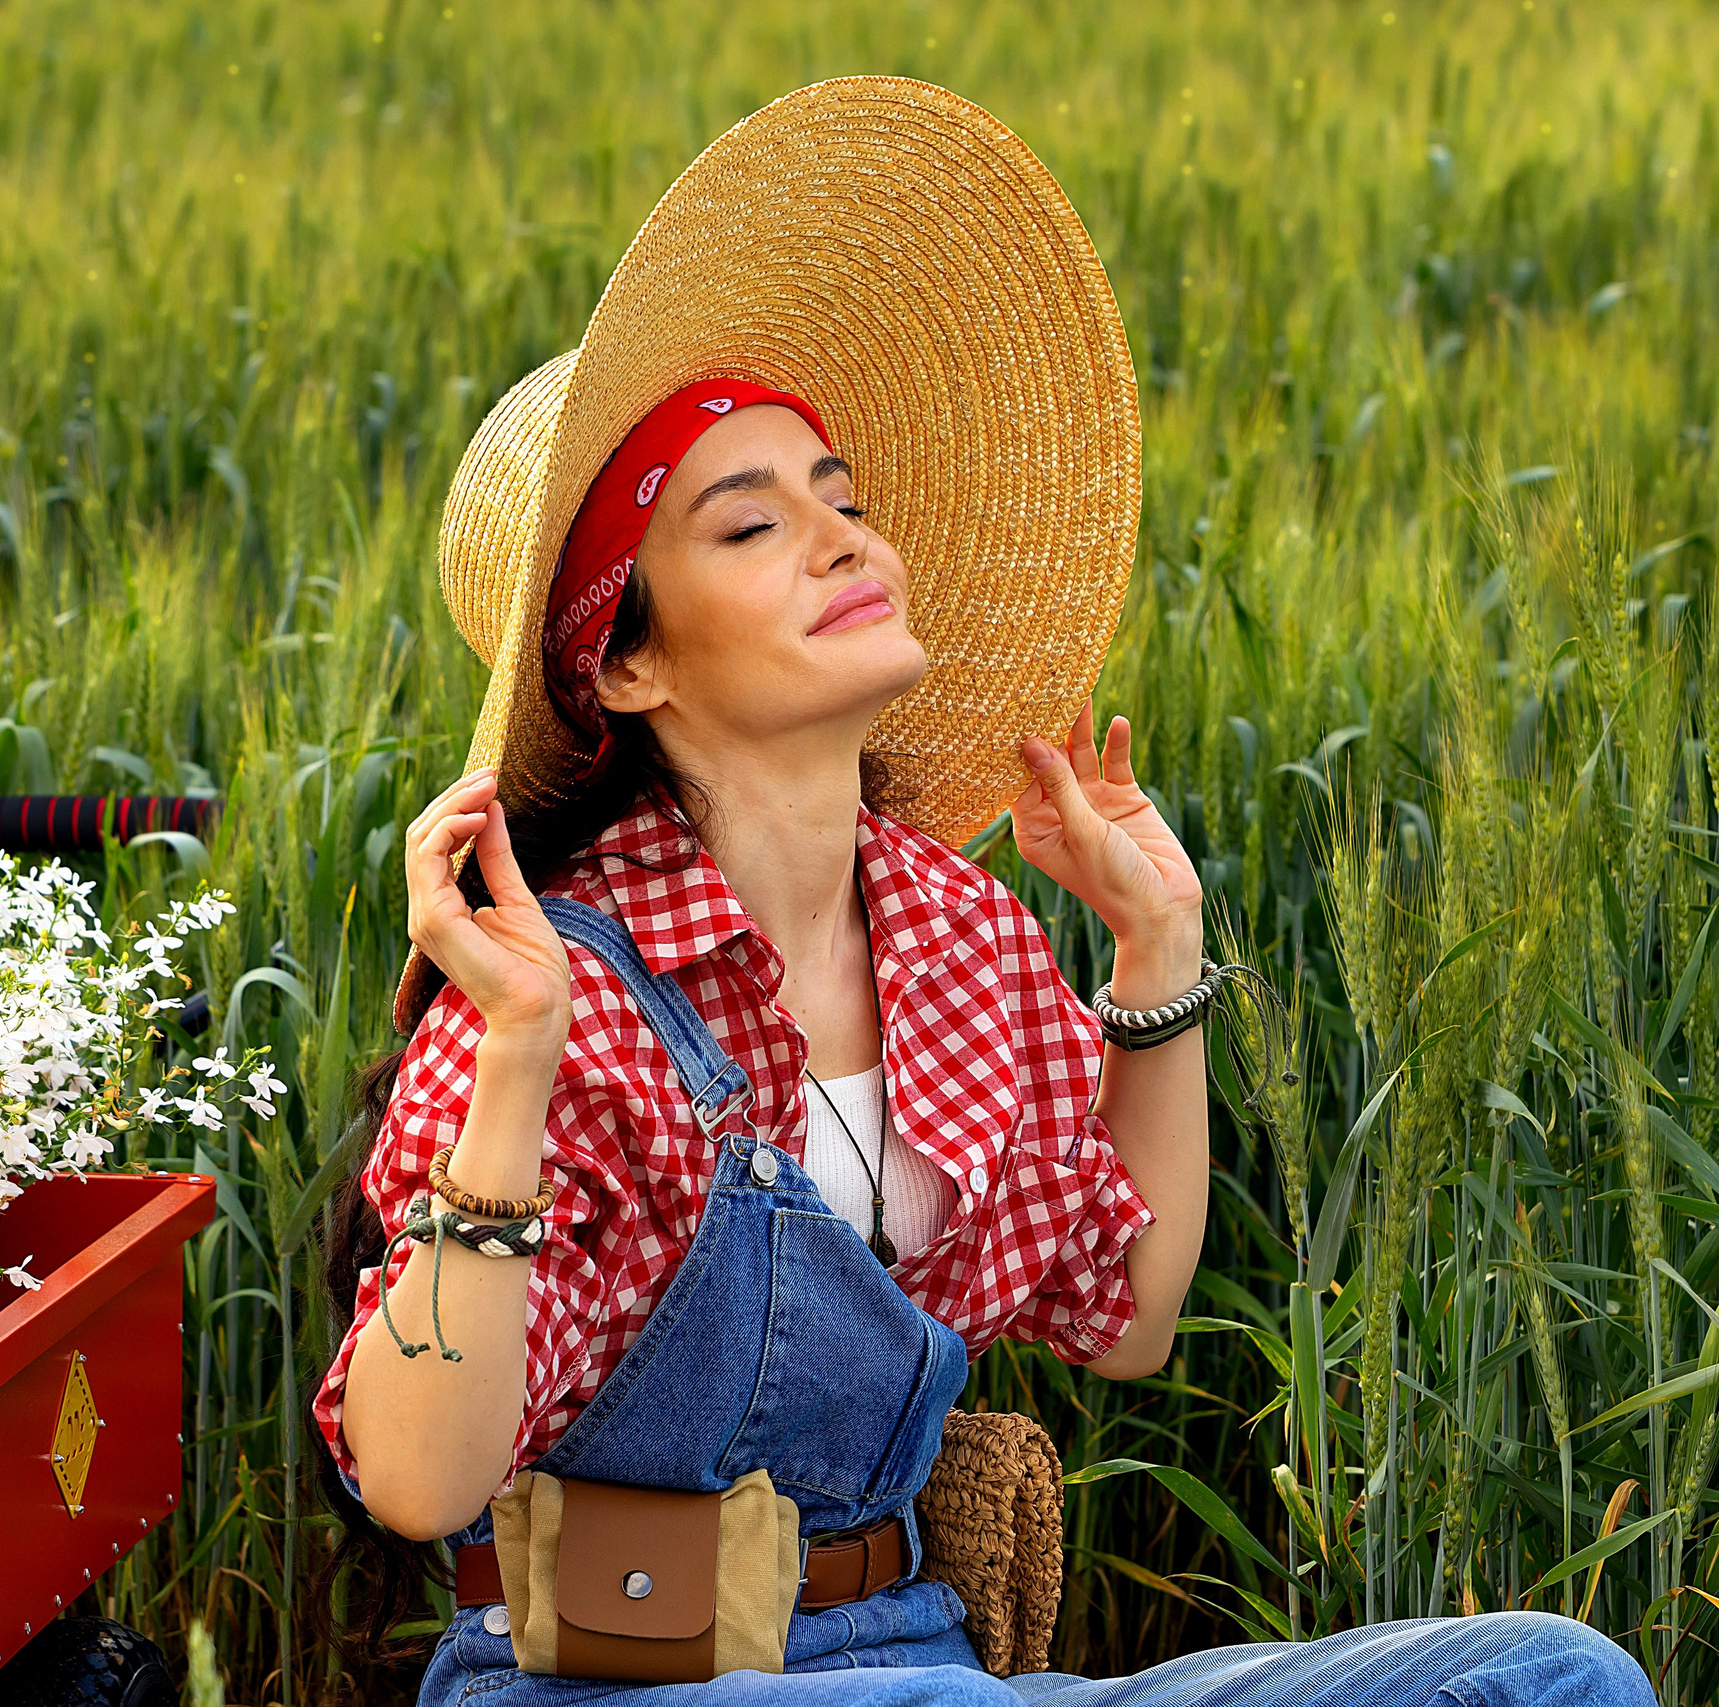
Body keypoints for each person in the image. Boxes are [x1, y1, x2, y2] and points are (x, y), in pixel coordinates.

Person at [309, 77, 1652, 1707]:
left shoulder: (955, 934)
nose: (840, 539)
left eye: (846, 500)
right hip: (600, 1679)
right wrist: (517, 1063)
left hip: (910, 1652)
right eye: (753, 523)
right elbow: (417, 1482)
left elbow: (1128, 1313)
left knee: (1547, 1677)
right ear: (632, 662)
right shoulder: (552, 980)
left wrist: (1156, 954)